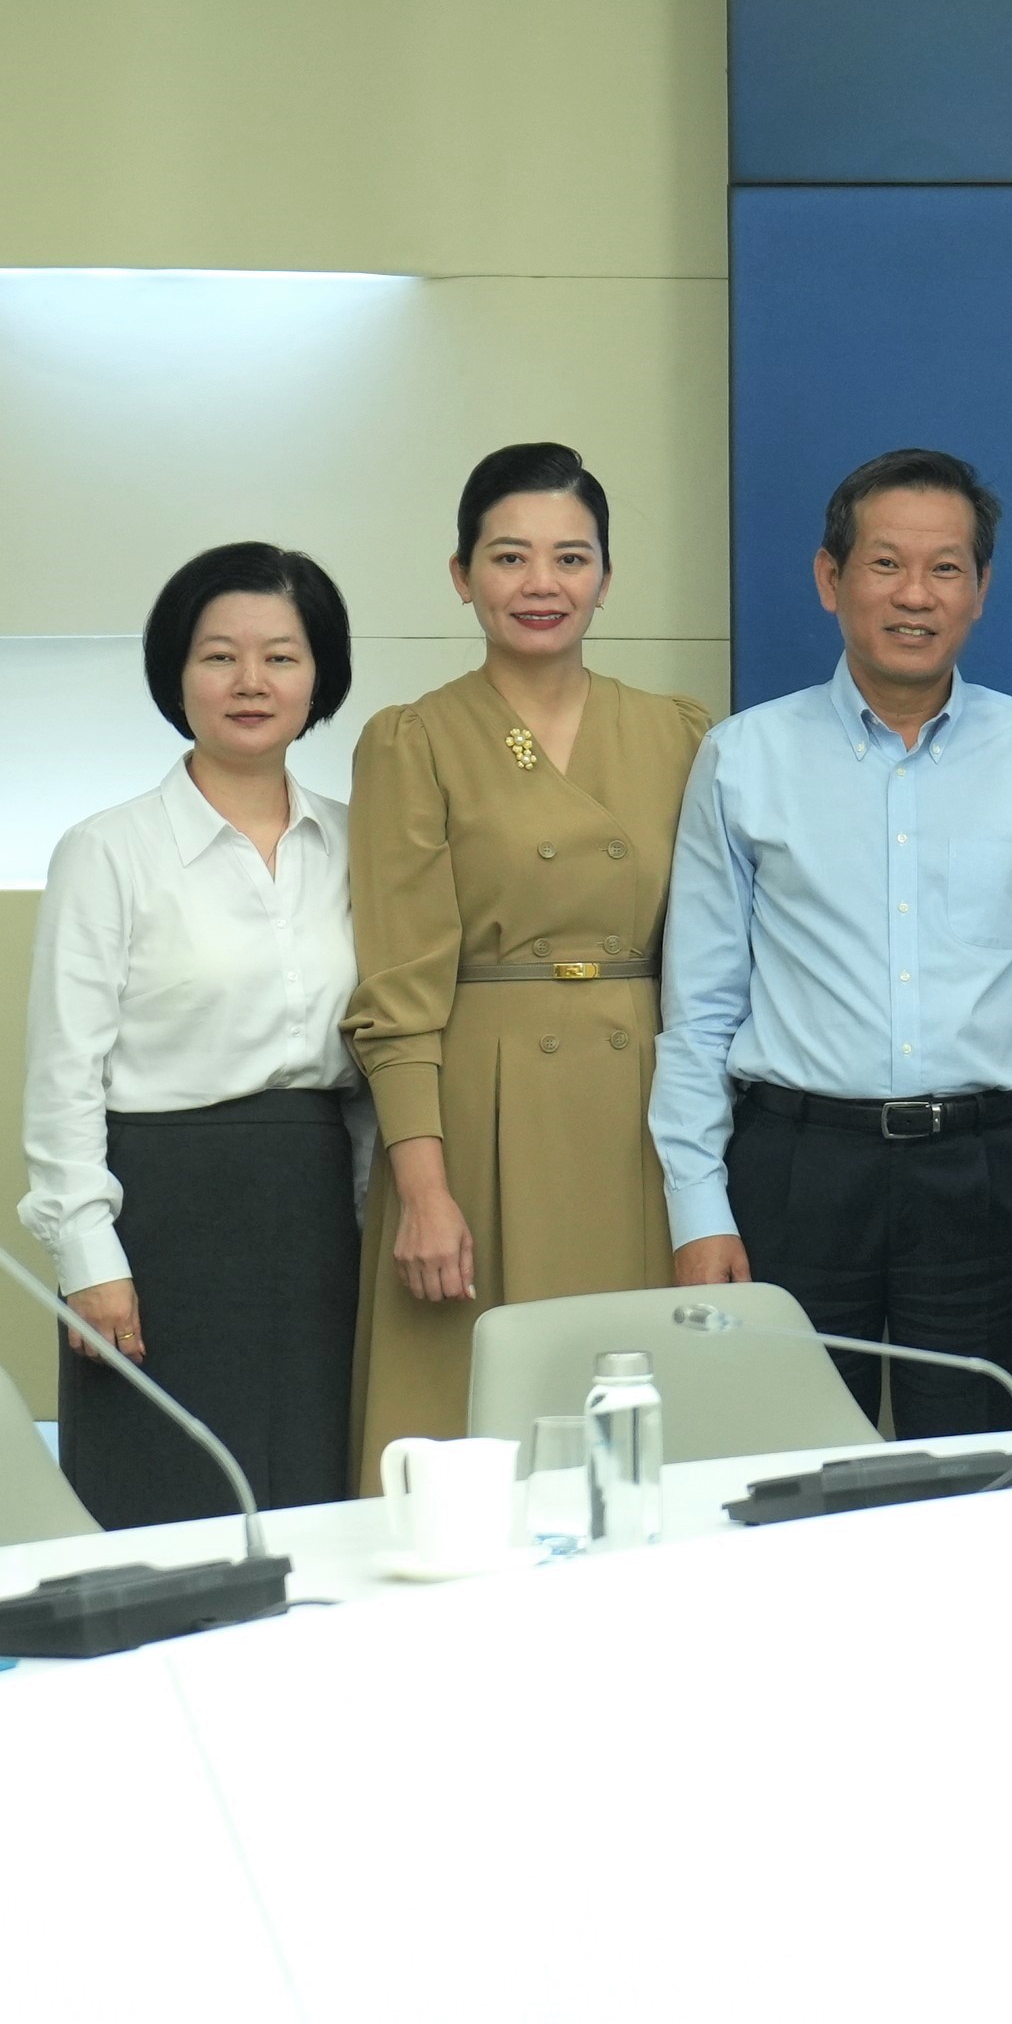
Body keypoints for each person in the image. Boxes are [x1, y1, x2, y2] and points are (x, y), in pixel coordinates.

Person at [659, 450, 1012, 1437]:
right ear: (831, 578)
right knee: (787, 1475)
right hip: (794, 1173)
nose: (916, 595)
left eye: (946, 567)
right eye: (886, 564)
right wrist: (699, 1208)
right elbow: (698, 1010)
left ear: (981, 589)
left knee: (970, 1483)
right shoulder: (743, 757)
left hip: (982, 1177)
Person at [343, 444, 710, 1465]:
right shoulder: (417, 738)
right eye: (509, 557)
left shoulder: (677, 732)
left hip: (642, 1110)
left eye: (570, 557)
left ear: (606, 576)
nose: (541, 584)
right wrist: (424, 1189)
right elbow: (397, 987)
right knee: (475, 1428)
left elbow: (714, 964)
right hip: (478, 1116)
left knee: (635, 1421)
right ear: (462, 575)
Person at [20, 545, 366, 1520]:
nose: (251, 681)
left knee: (315, 1499)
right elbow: (63, 1075)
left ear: (321, 675)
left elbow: (379, 1056)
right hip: (163, 1218)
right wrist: (88, 1258)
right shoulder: (107, 850)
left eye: (281, 656)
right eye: (220, 656)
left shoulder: (363, 841)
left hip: (320, 1215)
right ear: (176, 673)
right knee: (162, 1506)